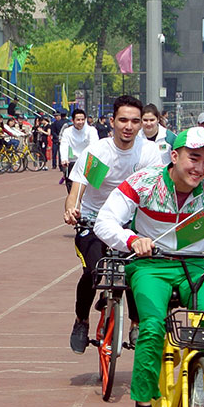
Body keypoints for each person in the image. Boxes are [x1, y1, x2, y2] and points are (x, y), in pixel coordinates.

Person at [93, 125, 204, 407]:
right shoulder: (145, 182)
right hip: (151, 265)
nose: (200, 168)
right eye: (193, 158)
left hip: (193, 265)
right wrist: (132, 239)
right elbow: (105, 220)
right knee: (152, 327)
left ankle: (195, 379)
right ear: (175, 155)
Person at [63, 95, 157, 354]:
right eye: (123, 120)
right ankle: (81, 321)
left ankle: (136, 324)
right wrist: (72, 208)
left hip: (132, 224)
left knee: (136, 271)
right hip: (94, 220)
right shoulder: (100, 153)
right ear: (112, 121)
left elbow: (154, 192)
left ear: (141, 125)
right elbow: (78, 190)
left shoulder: (148, 153)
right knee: (93, 271)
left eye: (135, 121)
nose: (129, 126)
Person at [59, 108, 98, 194]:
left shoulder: (91, 130)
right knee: (72, 190)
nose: (81, 122)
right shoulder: (67, 132)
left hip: (88, 161)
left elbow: (94, 145)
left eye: (82, 119)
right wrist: (64, 159)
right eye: (78, 120)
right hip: (74, 161)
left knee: (91, 191)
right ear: (73, 120)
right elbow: (64, 145)